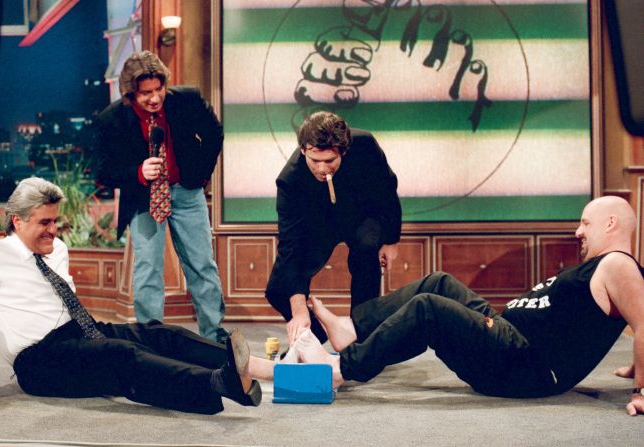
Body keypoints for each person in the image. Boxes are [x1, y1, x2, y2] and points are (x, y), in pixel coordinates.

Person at [294, 196, 644, 416]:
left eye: (585, 222)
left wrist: (641, 389)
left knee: (428, 307)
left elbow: (643, 324)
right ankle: (351, 329)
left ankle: (340, 370)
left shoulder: (617, 263)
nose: (577, 231)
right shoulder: (611, 268)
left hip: (524, 364)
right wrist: (633, 365)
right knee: (439, 282)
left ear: (610, 223)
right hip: (509, 337)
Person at [0, 178, 271, 414]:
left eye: (55, 221)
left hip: (82, 332)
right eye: (44, 223)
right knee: (121, 355)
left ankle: (251, 366)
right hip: (39, 362)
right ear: (16, 221)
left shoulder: (57, 249)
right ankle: (217, 383)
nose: (53, 230)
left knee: (161, 334)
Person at [96, 50, 227, 342]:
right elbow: (103, 171)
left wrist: (201, 176)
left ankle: (214, 335)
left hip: (186, 192)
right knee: (148, 269)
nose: (155, 98)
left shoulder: (187, 100)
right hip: (144, 198)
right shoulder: (111, 119)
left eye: (159, 89)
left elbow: (214, 134)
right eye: (146, 94)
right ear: (131, 94)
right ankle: (152, 338)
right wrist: (139, 172)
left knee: (201, 264)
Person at [265, 111, 402, 344]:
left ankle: (363, 340)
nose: (322, 169)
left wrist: (391, 240)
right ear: (303, 150)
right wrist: (299, 309)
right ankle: (315, 337)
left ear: (344, 151)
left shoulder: (365, 145)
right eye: (314, 160)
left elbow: (387, 190)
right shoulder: (290, 181)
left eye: (329, 161)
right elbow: (291, 246)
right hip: (319, 222)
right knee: (278, 290)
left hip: (361, 214)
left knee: (366, 250)